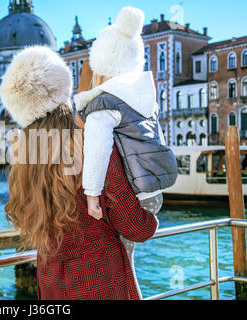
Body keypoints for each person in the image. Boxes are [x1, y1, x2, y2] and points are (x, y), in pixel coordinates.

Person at [0, 45, 158, 300]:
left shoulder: (23, 162)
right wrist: (152, 214)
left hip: (51, 282)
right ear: (63, 91)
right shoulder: (91, 146)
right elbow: (136, 228)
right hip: (98, 283)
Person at [73, 7, 178, 298]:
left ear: (102, 67)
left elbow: (98, 150)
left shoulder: (103, 105)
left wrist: (91, 195)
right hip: (153, 193)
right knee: (127, 262)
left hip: (133, 197)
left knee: (122, 265)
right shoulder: (145, 97)